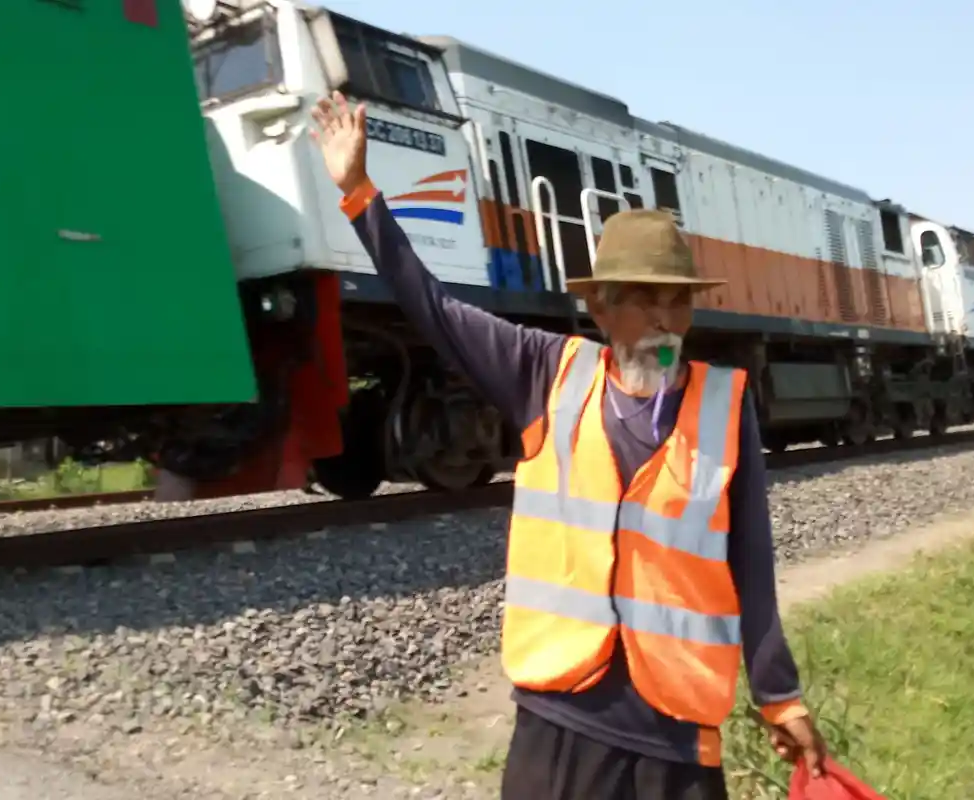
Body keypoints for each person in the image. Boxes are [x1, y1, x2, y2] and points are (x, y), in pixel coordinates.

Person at [310, 92, 827, 800]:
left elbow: (753, 564)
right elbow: (430, 306)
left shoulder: (725, 406)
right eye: (643, 298)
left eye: (678, 300)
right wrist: (359, 193)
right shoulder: (542, 372)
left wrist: (780, 695)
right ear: (600, 305)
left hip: (675, 728)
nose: (664, 319)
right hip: (561, 716)